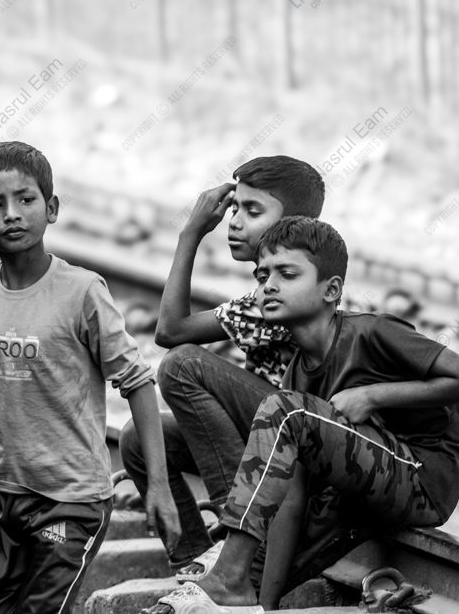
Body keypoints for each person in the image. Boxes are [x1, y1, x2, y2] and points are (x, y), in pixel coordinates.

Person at [149, 217, 459, 613]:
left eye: (286, 274)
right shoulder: (298, 371)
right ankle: (239, 587)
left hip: (422, 475)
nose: (268, 286)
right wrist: (268, 604)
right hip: (367, 477)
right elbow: (291, 494)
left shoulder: (371, 333)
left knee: (281, 409)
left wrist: (373, 396)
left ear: (332, 290)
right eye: (262, 277)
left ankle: (228, 576)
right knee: (272, 431)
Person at [0, 141, 181, 613]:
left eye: (26, 199)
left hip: (71, 501)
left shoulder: (82, 292)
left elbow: (138, 382)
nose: (12, 214)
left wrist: (160, 487)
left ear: (52, 208)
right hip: (4, 493)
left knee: (41, 608)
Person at [120, 156, 326, 606]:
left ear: (293, 224)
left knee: (181, 366)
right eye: (235, 208)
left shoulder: (289, 292)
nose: (234, 222)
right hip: (274, 440)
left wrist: (190, 234)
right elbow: (170, 329)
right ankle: (195, 556)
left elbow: (170, 334)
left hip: (300, 449)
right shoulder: (266, 291)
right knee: (139, 438)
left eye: (253, 212)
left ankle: (235, 540)